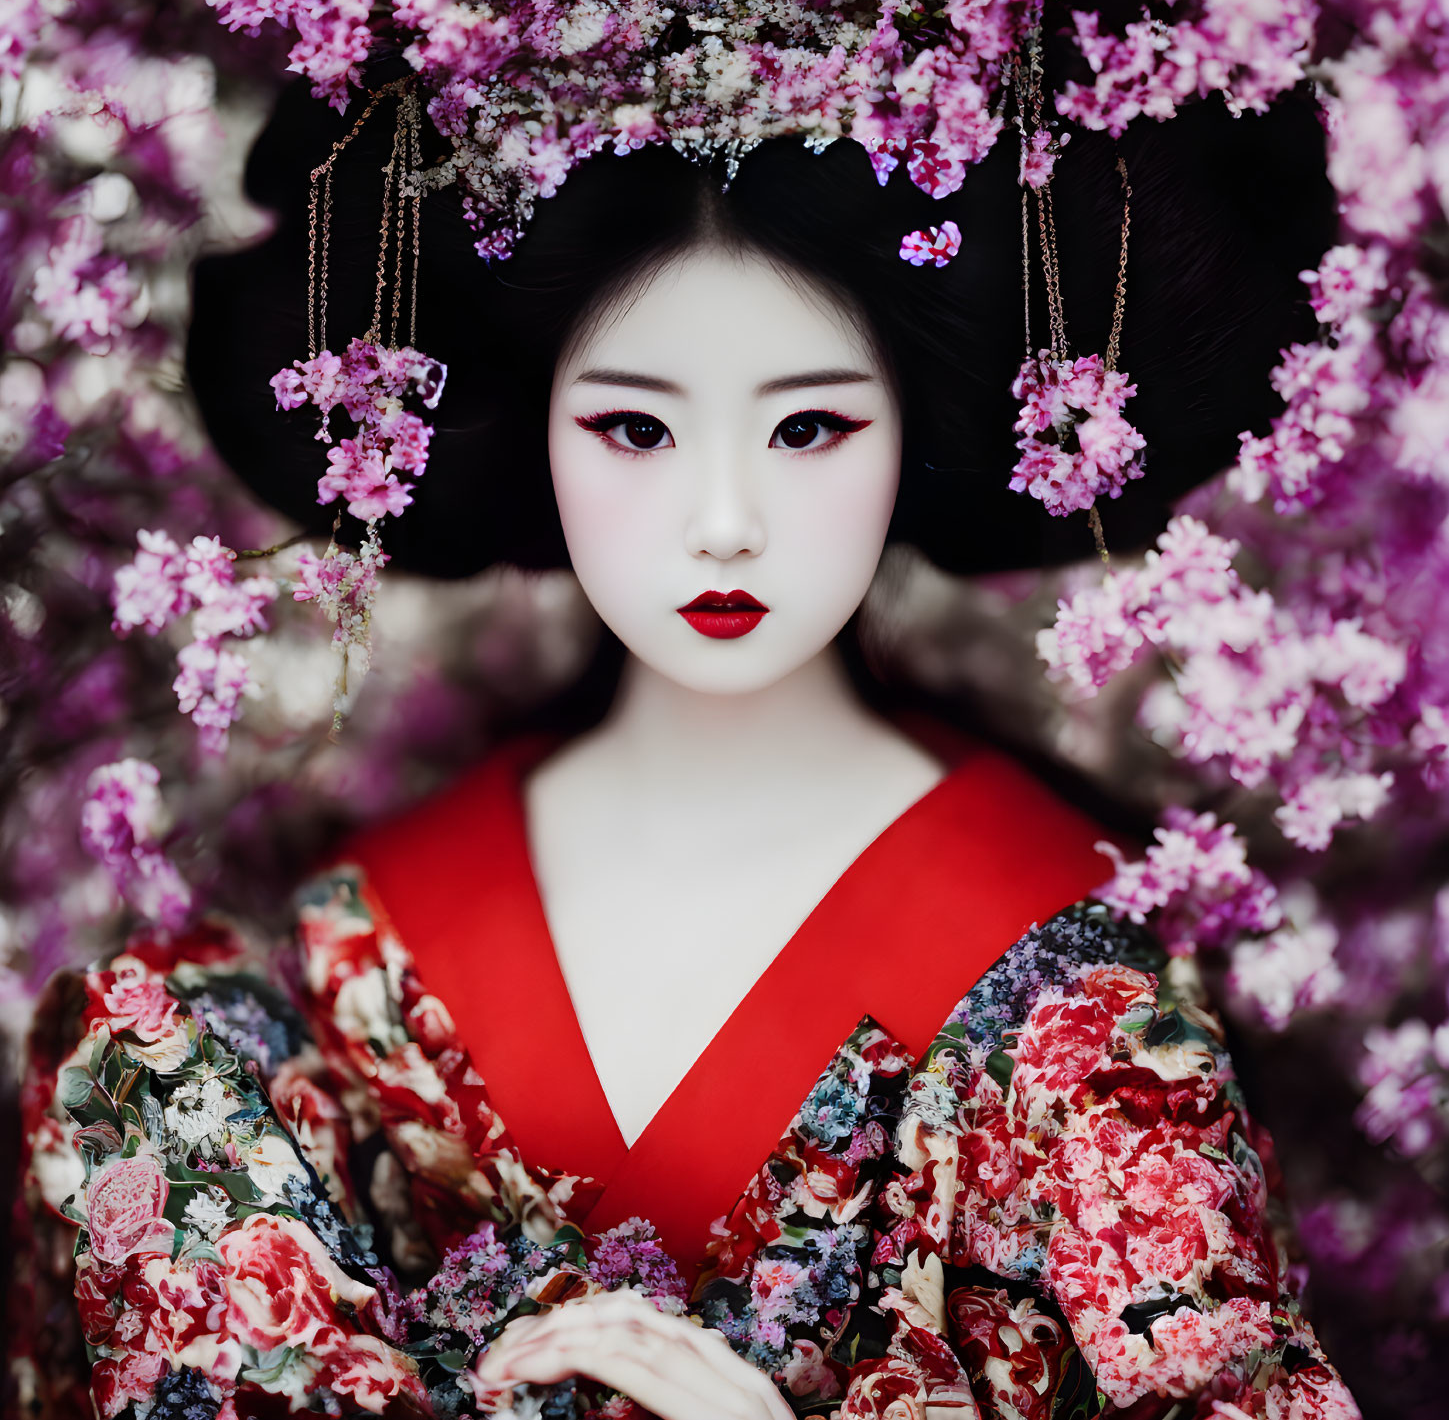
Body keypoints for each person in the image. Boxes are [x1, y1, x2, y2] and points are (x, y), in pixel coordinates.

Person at [7, 77, 1361, 1420]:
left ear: (912, 431)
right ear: (537, 428)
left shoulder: (1074, 991)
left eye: (809, 425)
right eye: (636, 426)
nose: (723, 518)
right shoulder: (314, 976)